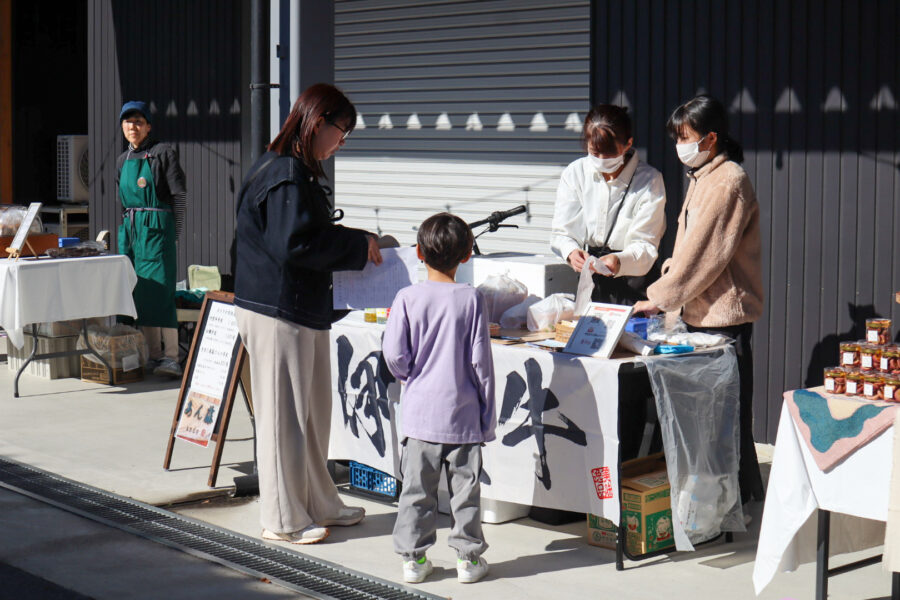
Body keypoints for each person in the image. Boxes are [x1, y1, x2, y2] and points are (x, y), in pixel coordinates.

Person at [233, 83, 383, 545]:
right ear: (318, 123)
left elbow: (305, 236)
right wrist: (358, 245)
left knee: (314, 415)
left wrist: (356, 243)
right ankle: (282, 517)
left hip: (301, 308)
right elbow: (294, 243)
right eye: (343, 131)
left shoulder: (293, 170)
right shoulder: (284, 173)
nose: (342, 142)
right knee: (283, 418)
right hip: (278, 309)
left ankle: (320, 501)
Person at [633, 94, 765, 504]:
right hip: (699, 313)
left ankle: (732, 503)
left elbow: (706, 254)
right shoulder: (704, 177)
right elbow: (687, 248)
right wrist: (669, 284)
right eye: (677, 136)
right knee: (708, 417)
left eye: (685, 137)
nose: (680, 145)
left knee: (724, 417)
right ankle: (717, 500)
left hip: (722, 317)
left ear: (710, 138)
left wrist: (658, 296)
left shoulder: (728, 181)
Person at [382, 213, 496, 585]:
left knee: (416, 490)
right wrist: (486, 416)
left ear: (418, 252)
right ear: (466, 256)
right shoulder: (471, 299)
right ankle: (468, 558)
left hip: (419, 417)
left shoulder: (406, 297)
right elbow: (481, 363)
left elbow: (395, 355)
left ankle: (413, 560)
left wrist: (409, 376)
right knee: (466, 492)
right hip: (462, 415)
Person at [551, 104, 666, 305]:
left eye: (610, 153)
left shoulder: (649, 180)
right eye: (594, 153)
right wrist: (571, 252)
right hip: (592, 277)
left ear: (628, 144)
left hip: (635, 281)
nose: (602, 159)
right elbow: (562, 232)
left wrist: (620, 261)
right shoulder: (575, 173)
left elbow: (646, 245)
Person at [116, 100, 186, 378]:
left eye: (138, 121)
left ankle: (172, 357)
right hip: (132, 230)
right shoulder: (122, 161)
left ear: (148, 126)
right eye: (127, 122)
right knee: (139, 290)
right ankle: (153, 355)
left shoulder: (163, 153)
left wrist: (175, 234)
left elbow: (179, 196)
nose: (132, 127)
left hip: (158, 229)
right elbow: (123, 202)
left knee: (161, 289)